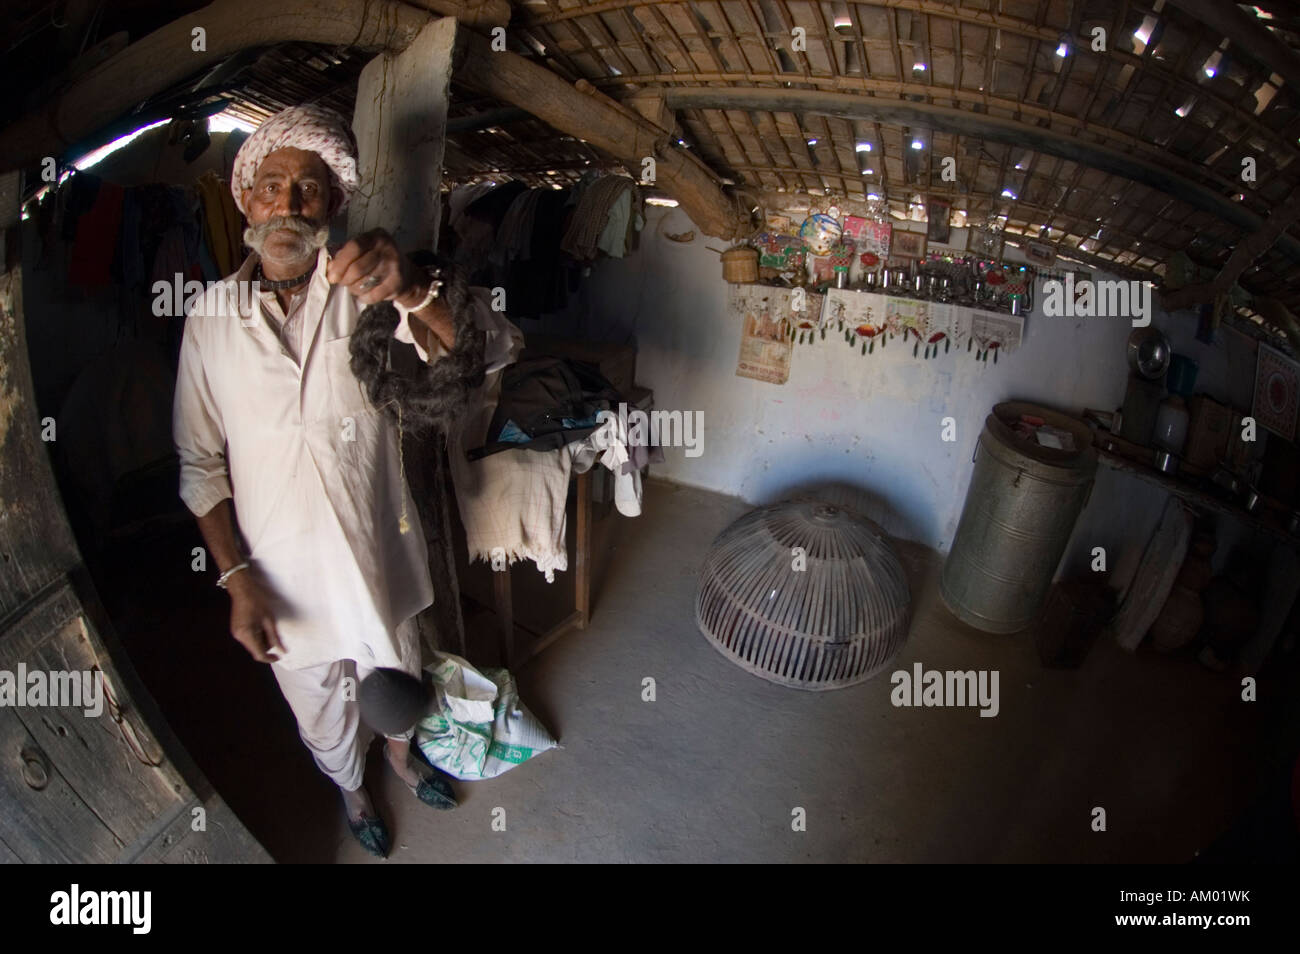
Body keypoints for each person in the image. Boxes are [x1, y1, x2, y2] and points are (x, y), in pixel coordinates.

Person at [172, 104, 470, 858]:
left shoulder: (370, 287)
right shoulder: (210, 316)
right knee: (322, 717)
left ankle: (401, 759)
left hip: (376, 554)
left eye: (310, 188)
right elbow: (200, 464)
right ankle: (354, 791)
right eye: (272, 185)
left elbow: (472, 357)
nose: (289, 203)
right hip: (280, 577)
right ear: (246, 202)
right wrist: (237, 580)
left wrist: (411, 291)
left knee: (398, 684)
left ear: (334, 204)